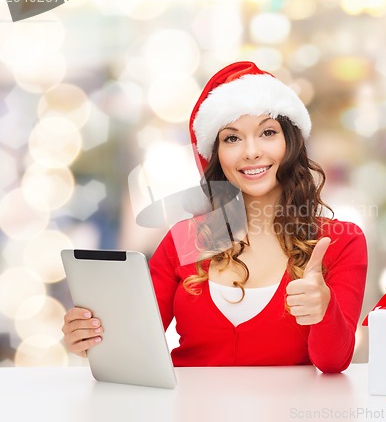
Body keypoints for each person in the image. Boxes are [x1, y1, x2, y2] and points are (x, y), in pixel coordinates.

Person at [62, 61, 368, 373]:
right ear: (216, 155)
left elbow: (334, 361)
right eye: (232, 138)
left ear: (292, 142)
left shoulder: (340, 240)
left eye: (267, 132)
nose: (251, 152)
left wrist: (323, 309)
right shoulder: (187, 239)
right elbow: (133, 345)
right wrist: (90, 338)